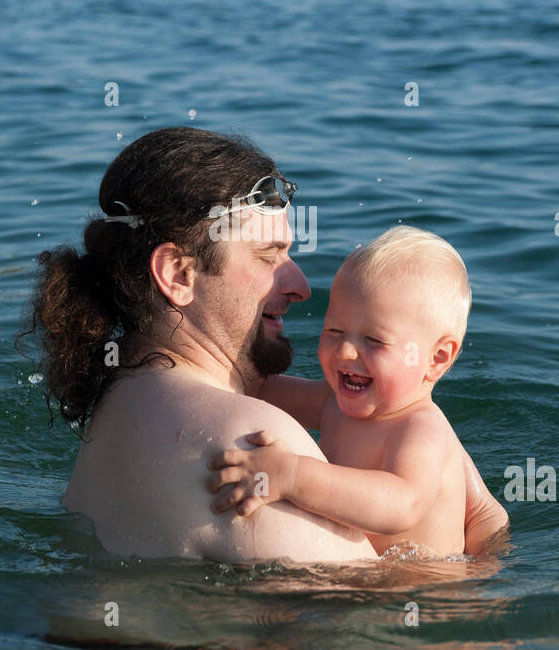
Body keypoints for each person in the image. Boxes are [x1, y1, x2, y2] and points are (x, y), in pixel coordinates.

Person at [23, 127, 505, 562]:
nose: (299, 285)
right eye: (268, 255)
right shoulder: (253, 443)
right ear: (178, 273)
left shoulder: (113, 404)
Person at [208, 226, 509, 557]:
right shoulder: (331, 399)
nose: (346, 352)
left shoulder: (421, 430)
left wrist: (291, 476)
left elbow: (406, 504)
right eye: (334, 330)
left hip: (420, 591)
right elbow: (258, 390)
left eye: (374, 340)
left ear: (436, 358)